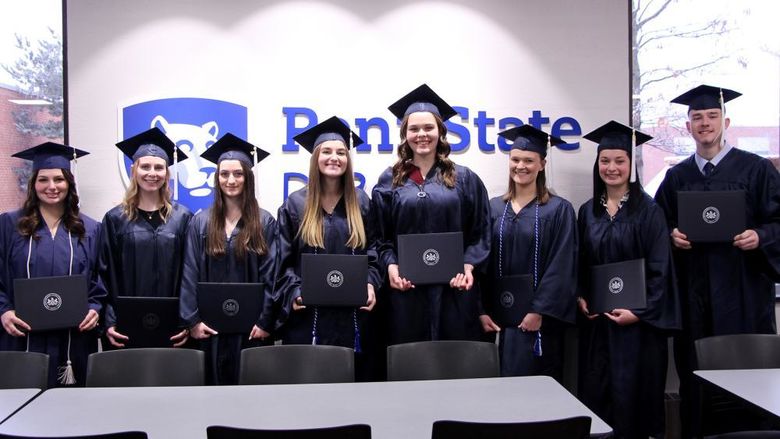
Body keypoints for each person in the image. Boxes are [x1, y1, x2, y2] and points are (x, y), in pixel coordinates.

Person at [655, 85, 780, 436]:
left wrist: (761, 237)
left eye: (711, 117)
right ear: (688, 125)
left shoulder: (757, 170)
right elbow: (658, 225)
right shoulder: (676, 177)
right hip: (695, 297)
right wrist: (671, 235)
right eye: (697, 118)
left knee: (746, 376)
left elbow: (777, 222)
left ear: (725, 122)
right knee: (695, 377)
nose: (704, 123)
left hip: (743, 295)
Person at [577, 121, 681, 439]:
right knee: (599, 397)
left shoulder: (649, 211)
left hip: (639, 331)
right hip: (599, 327)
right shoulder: (587, 212)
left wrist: (639, 312)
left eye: (619, 160)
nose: (611, 168)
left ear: (631, 165)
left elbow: (661, 270)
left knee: (636, 402)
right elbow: (580, 264)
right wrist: (582, 296)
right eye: (605, 160)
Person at [372, 84, 491, 344]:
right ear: (405, 135)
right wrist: (391, 267)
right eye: (414, 129)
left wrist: (468, 266)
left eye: (429, 128)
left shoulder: (465, 179)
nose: (421, 134)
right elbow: (380, 238)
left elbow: (480, 233)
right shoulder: (389, 181)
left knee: (453, 361)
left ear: (441, 132)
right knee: (409, 362)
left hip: (454, 290)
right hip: (406, 292)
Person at [275, 117, 381, 368]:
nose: (334, 157)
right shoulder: (295, 204)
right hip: (309, 316)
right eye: (327, 151)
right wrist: (294, 292)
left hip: (354, 316)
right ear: (315, 158)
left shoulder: (362, 203)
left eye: (341, 152)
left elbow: (375, 251)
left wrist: (370, 282)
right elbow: (282, 260)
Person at [0, 143, 105, 386]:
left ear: (69, 183)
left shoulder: (89, 229)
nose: (51, 187)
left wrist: (94, 308)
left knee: (70, 412)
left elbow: (100, 279)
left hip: (72, 338)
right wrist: (3, 311)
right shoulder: (9, 225)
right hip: (21, 336)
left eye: (59, 179)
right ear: (33, 184)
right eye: (43, 180)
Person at [478, 125, 578, 381]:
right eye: (515, 160)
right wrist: (482, 310)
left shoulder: (558, 210)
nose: (520, 166)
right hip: (499, 321)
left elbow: (562, 264)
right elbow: (481, 261)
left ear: (542, 164)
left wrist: (539, 311)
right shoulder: (492, 208)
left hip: (539, 322)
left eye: (529, 160)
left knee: (535, 388)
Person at [178, 133, 278, 385]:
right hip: (210, 331)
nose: (231, 180)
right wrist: (192, 321)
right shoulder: (201, 221)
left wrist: (266, 321)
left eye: (238, 174)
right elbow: (189, 273)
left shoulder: (264, 222)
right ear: (217, 178)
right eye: (224, 174)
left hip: (252, 331)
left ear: (248, 178)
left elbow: (272, 276)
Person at [100, 127, 193, 348]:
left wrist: (187, 320)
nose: (152, 173)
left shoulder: (183, 218)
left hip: (174, 326)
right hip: (126, 325)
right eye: (145, 166)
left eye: (159, 167)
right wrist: (110, 320)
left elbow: (190, 275)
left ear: (167, 173)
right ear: (134, 170)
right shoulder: (115, 219)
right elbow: (105, 274)